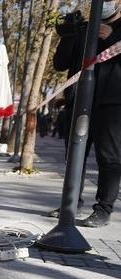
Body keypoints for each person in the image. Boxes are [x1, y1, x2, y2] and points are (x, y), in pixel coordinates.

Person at [50, 4, 121, 226]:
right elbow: (60, 64)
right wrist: (68, 36)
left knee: (109, 158)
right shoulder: (84, 28)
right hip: (79, 101)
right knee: (74, 155)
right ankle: (70, 203)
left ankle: (103, 209)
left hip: (112, 104)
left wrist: (113, 37)